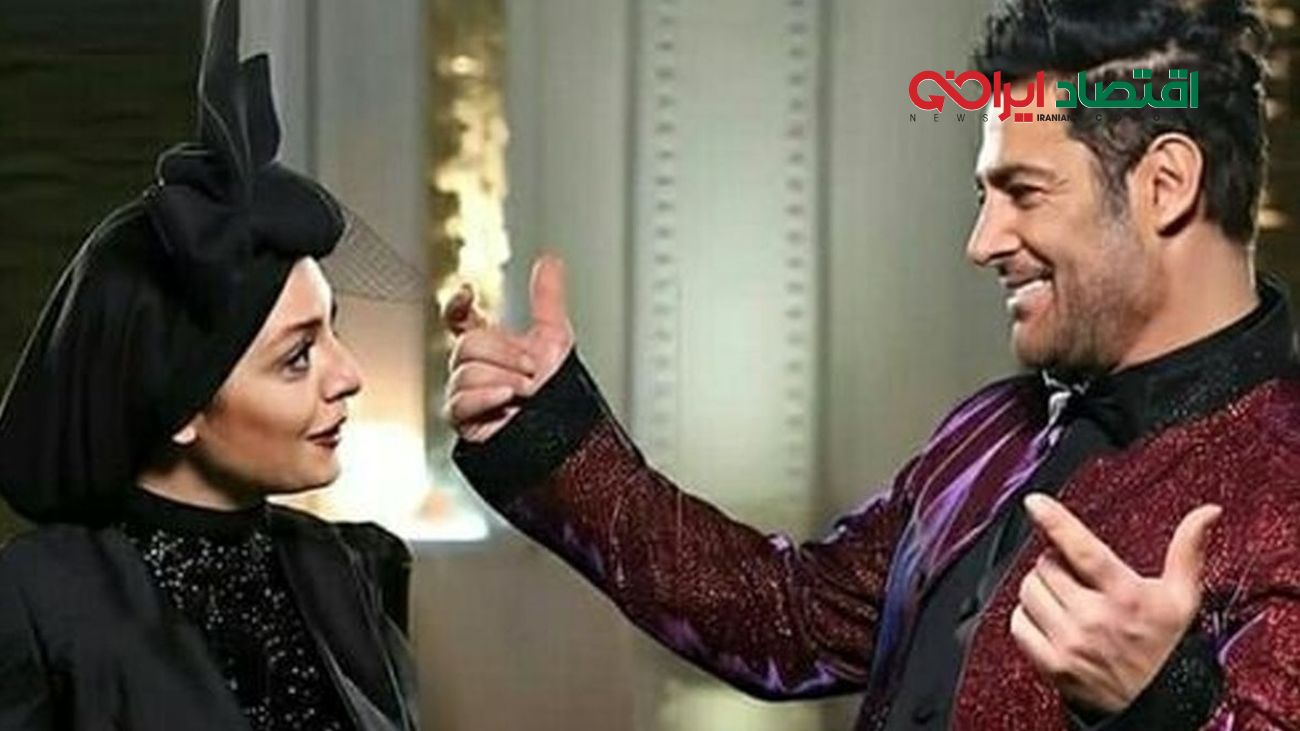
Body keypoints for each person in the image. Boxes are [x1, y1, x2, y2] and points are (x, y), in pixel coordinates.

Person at [443, 0, 1300, 728]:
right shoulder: (989, 432)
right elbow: (789, 617)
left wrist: (1161, 703)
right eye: (984, 195)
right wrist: (554, 433)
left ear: (1165, 185)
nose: (982, 242)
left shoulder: (1284, 484)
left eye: (1024, 192)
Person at [0, 2, 418, 729]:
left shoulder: (355, 568)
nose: (348, 374)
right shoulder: (41, 601)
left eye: (334, 330)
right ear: (182, 405)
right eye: (298, 356)